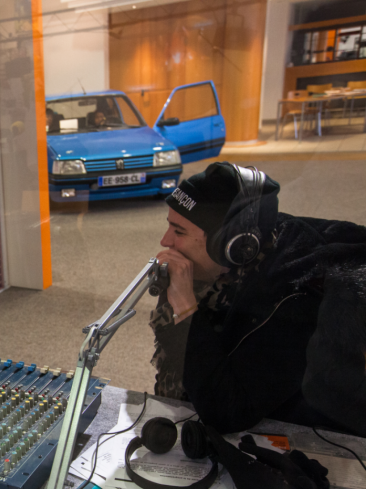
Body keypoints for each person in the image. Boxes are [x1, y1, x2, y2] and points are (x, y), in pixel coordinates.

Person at [150, 161, 366, 436]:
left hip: (301, 442)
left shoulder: (294, 297)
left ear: (233, 244)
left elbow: (228, 412)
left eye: (179, 232)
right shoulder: (237, 259)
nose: (165, 241)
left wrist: (185, 308)